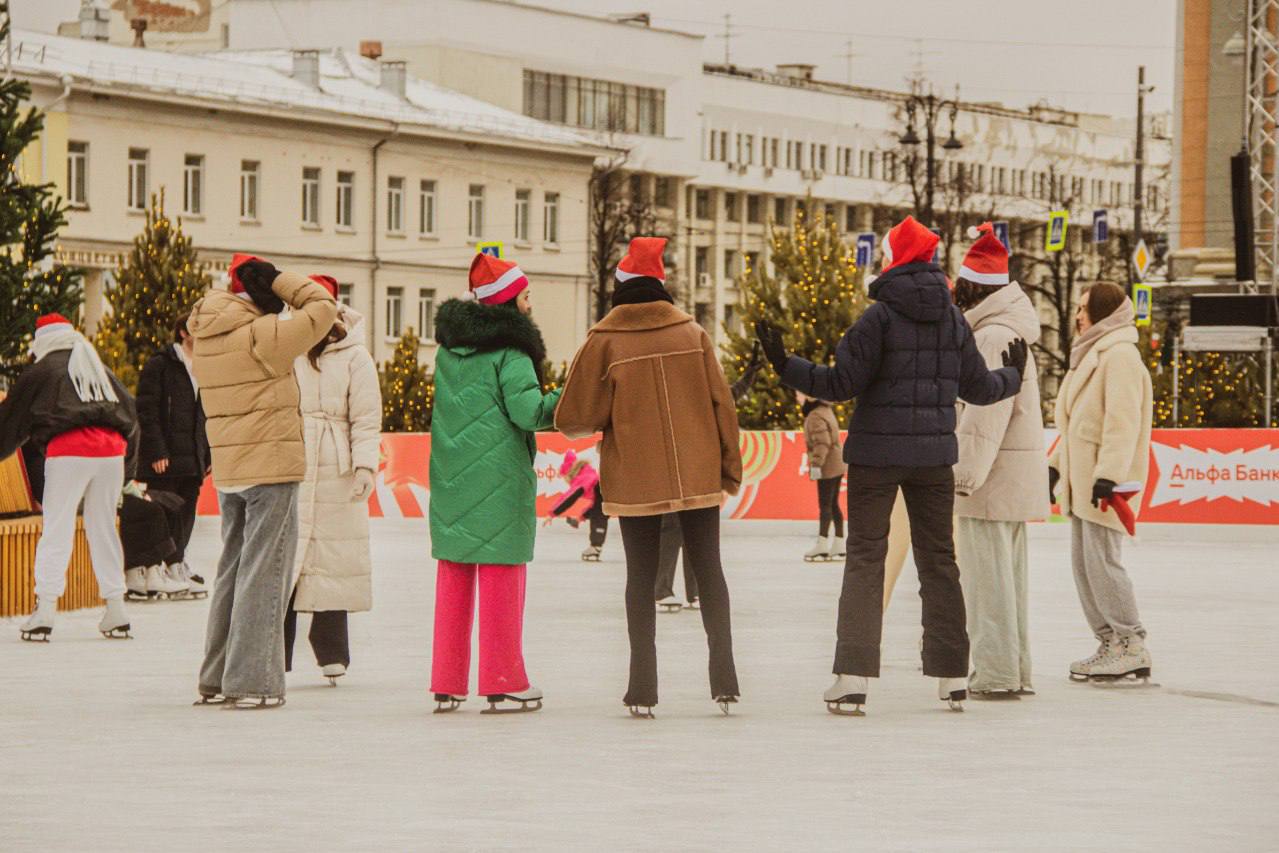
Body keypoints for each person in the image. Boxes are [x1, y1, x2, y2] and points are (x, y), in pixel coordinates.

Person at [755, 215, 1027, 714]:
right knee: (939, 562)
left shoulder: (877, 319)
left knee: (865, 559)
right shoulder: (951, 320)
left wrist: (783, 363)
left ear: (894, 259)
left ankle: (852, 676)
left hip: (877, 460)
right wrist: (1012, 375)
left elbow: (838, 385)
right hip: (933, 462)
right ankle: (951, 676)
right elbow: (980, 389)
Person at [556, 236, 742, 717]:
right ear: (661, 287)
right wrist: (728, 468)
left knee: (640, 580)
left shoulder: (603, 341)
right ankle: (725, 680)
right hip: (698, 474)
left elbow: (575, 415)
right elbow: (724, 404)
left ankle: (642, 688)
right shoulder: (693, 334)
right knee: (709, 570)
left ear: (620, 287)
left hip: (635, 478)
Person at [188, 254, 338, 709]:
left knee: (232, 569)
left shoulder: (208, 331)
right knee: (265, 573)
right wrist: (284, 280)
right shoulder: (260, 334)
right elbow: (324, 308)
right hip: (269, 465)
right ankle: (252, 680)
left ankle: (216, 676)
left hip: (233, 469)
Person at [429, 253, 561, 713]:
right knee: (503, 575)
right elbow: (527, 412)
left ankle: (446, 680)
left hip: (451, 478)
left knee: (454, 576)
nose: (530, 304)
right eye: (525, 296)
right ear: (508, 302)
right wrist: (564, 399)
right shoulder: (512, 351)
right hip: (499, 481)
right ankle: (503, 679)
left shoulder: (449, 350)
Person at [950, 225, 1047, 699]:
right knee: (1008, 583)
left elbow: (984, 416)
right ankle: (1015, 670)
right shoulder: (1010, 329)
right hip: (1010, 475)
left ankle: (996, 674)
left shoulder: (991, 337)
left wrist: (963, 475)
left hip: (989, 477)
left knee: (988, 584)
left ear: (972, 286)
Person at [0, 313, 139, 641]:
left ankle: (45, 609)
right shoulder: (97, 367)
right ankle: (116, 608)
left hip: (69, 452)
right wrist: (127, 472)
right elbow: (131, 414)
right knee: (103, 529)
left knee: (57, 528)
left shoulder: (42, 370)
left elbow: (11, 419)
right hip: (111, 454)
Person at [1049, 282, 1153, 683]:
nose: (1077, 316)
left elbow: (1121, 423)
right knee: (1085, 566)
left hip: (1104, 484)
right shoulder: (1092, 354)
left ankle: (1131, 643)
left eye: (1083, 308)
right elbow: (1079, 425)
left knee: (1103, 564)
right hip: (1084, 481)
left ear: (1104, 313)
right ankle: (1109, 641)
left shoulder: (1120, 357)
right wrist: (1055, 466)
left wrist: (1109, 474)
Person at [285, 276, 381, 686]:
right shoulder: (285, 347)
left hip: (335, 462)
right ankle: (275, 649)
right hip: (294, 457)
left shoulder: (356, 356)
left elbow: (365, 416)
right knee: (285, 557)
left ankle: (331, 650)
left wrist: (364, 466)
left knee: (332, 558)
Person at [653, 343, 763, 612]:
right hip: (674, 472)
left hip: (701, 474)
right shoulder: (670, 391)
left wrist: (750, 374)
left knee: (697, 532)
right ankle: (661, 590)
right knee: (672, 530)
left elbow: (729, 396)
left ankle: (695, 592)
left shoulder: (709, 392)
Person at [135, 311, 210, 600]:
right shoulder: (161, 364)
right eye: (198, 329)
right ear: (183, 332)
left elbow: (206, 413)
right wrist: (156, 449)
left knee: (186, 514)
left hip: (192, 455)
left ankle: (177, 564)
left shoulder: (204, 367)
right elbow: (147, 409)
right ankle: (158, 568)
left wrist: (207, 453)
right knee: (164, 513)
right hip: (164, 457)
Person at [800, 392, 847, 562]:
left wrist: (816, 465)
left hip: (828, 465)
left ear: (810, 398)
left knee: (825, 505)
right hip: (837, 463)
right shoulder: (825, 409)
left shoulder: (815, 415)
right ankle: (840, 544)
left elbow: (822, 442)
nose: (797, 398)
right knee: (833, 504)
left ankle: (822, 545)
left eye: (799, 394)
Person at [546, 449, 609, 561]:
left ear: (569, 473)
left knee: (599, 515)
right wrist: (580, 518)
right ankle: (596, 546)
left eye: (565, 478)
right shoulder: (587, 473)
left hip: (607, 492)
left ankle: (596, 547)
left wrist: (553, 513)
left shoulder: (582, 478)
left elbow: (569, 498)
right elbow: (595, 505)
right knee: (599, 511)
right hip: (606, 493)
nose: (567, 481)